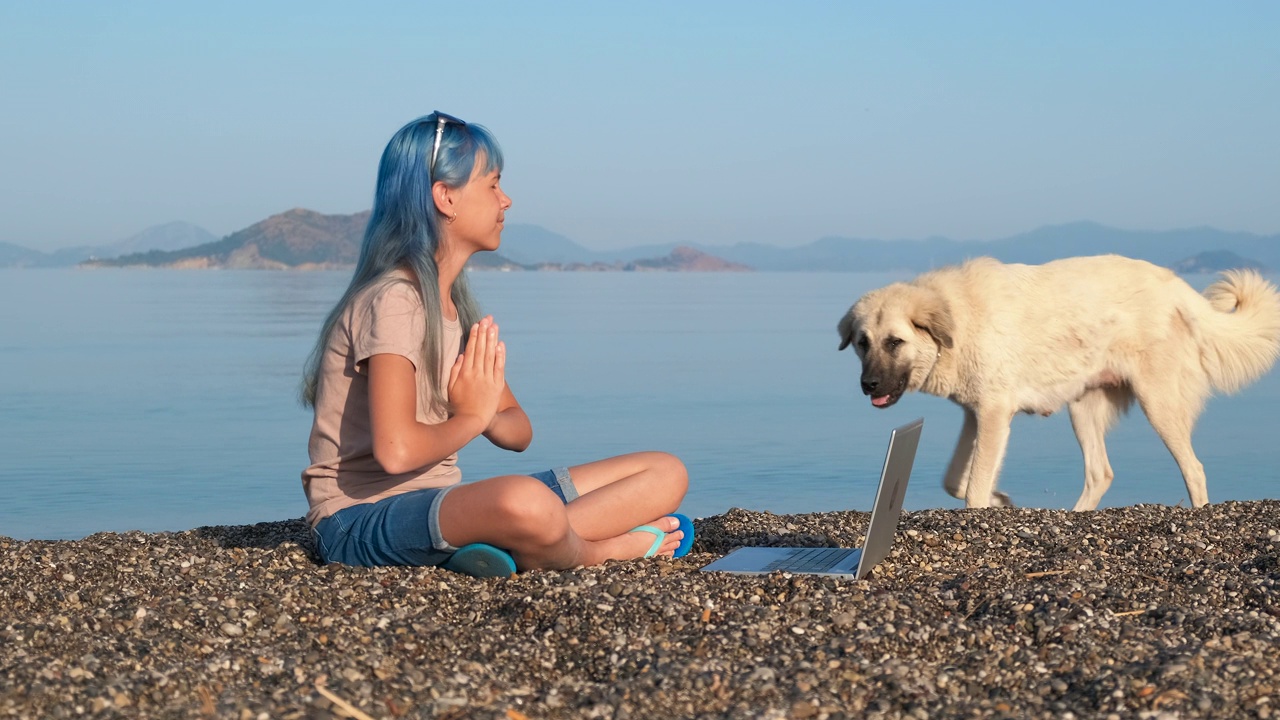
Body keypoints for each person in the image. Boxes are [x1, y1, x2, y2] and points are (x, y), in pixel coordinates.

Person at [299, 111, 692, 575]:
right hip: (357, 520)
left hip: (439, 505)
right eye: (492, 185)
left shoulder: (454, 310)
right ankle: (596, 550)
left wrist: (483, 411)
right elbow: (396, 451)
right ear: (445, 197)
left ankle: (522, 540)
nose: (506, 200)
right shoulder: (394, 301)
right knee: (521, 500)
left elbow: (519, 432)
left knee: (664, 472)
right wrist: (472, 416)